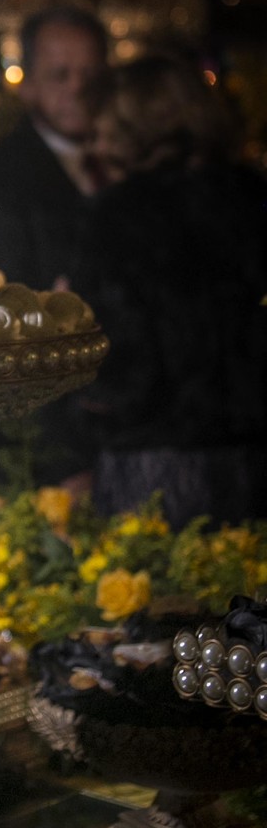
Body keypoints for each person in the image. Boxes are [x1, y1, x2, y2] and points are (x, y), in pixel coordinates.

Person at [75, 54, 267, 527]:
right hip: (253, 442)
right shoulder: (251, 194)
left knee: (162, 592)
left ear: (132, 126)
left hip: (155, 453)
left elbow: (124, 353)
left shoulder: (120, 215)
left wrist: (75, 317)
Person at [0, 7, 109, 293]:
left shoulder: (132, 157)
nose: (77, 87)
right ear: (28, 84)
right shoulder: (1, 178)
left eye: (89, 73)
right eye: (59, 75)